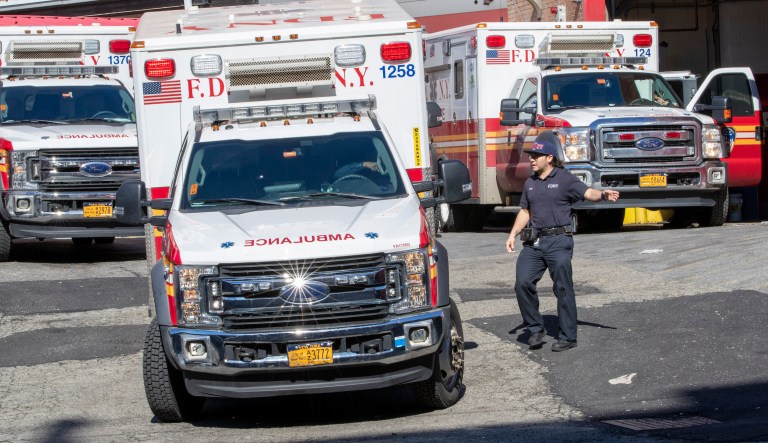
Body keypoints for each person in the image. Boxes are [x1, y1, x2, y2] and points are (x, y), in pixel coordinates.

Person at [505, 130, 620, 352]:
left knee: (562, 287)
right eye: (531, 155)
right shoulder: (530, 183)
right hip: (535, 243)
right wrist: (513, 234)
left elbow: (588, 193)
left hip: (559, 241)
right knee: (522, 283)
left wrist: (603, 194)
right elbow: (525, 211)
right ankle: (535, 329)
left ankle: (568, 336)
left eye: (536, 156)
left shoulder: (565, 179)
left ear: (549, 158)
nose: (531, 159)